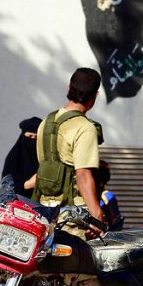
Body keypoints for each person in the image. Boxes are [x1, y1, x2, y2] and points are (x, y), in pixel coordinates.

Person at [32, 67, 106, 238]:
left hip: (44, 213)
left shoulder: (46, 122)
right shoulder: (85, 128)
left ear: (68, 88)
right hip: (73, 217)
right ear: (95, 96)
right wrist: (96, 213)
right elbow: (83, 174)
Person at [2, 116, 42, 198]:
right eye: (30, 137)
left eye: (36, 138)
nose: (33, 141)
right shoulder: (14, 158)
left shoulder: (44, 158)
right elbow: (6, 188)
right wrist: (27, 185)